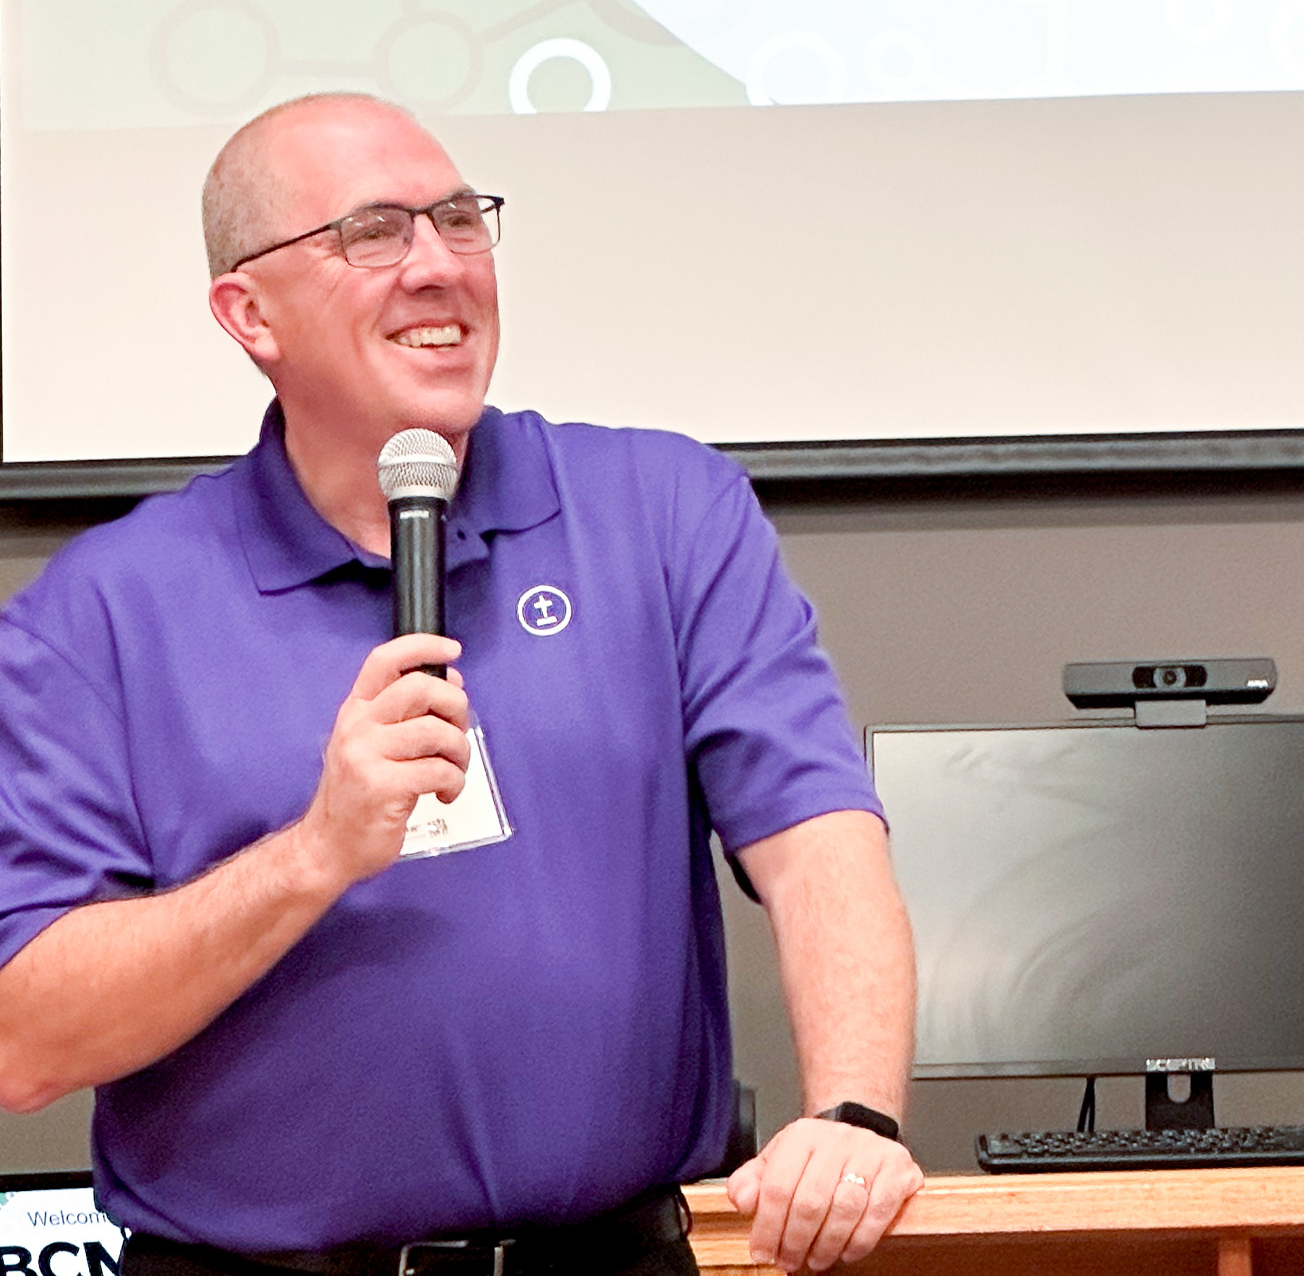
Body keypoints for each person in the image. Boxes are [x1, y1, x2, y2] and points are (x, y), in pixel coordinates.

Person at [0, 93, 923, 1276]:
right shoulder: (103, 611)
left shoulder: (660, 511)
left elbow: (819, 843)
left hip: (605, 1260)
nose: (437, 264)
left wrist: (853, 1111)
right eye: (374, 231)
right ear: (248, 311)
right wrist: (314, 852)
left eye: (457, 219)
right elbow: (26, 1039)